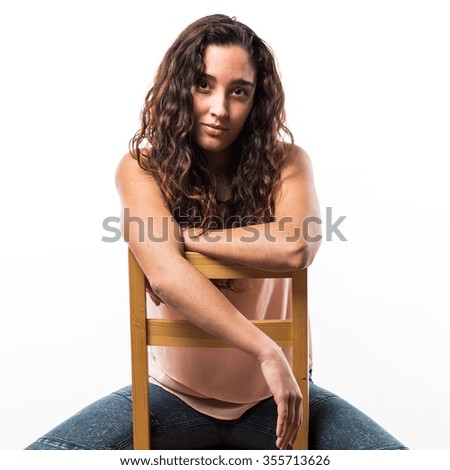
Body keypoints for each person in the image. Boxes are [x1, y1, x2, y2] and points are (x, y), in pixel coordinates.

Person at [25, 14, 407, 450]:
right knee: (45, 457)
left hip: (281, 396)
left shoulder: (287, 161)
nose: (220, 108)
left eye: (238, 91)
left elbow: (297, 245)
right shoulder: (142, 168)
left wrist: (185, 238)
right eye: (203, 85)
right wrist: (267, 351)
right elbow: (167, 278)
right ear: (178, 87)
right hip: (171, 396)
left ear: (256, 100)